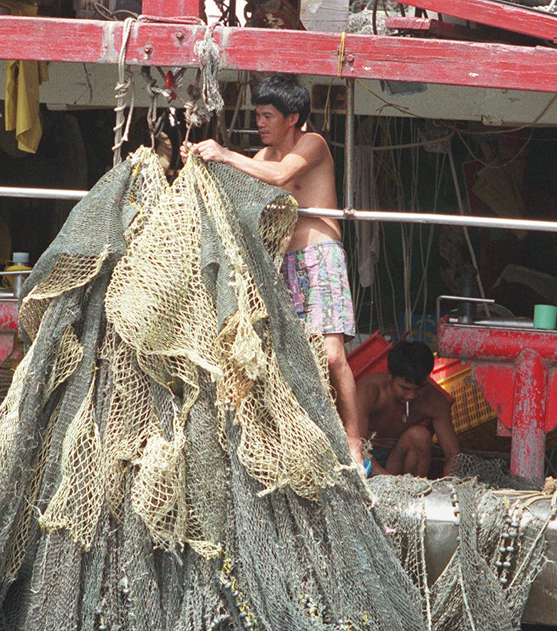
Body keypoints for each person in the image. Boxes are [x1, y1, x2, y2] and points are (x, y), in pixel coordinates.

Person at [185, 74, 364, 465]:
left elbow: (282, 177)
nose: (260, 123)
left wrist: (225, 154)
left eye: (267, 116)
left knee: (332, 354)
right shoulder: (262, 158)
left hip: (320, 257)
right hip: (281, 264)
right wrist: (201, 160)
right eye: (258, 115)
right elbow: (237, 185)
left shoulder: (311, 144)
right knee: (290, 355)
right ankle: (306, 437)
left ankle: (354, 442)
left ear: (292, 117)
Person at [356, 341, 460, 477]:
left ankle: (413, 492)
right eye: (404, 388)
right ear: (389, 375)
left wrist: (453, 485)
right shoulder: (368, 390)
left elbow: (453, 455)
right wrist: (386, 481)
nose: (411, 395)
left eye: (419, 388)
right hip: (363, 459)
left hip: (396, 461)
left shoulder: (435, 400)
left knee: (420, 436)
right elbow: (356, 444)